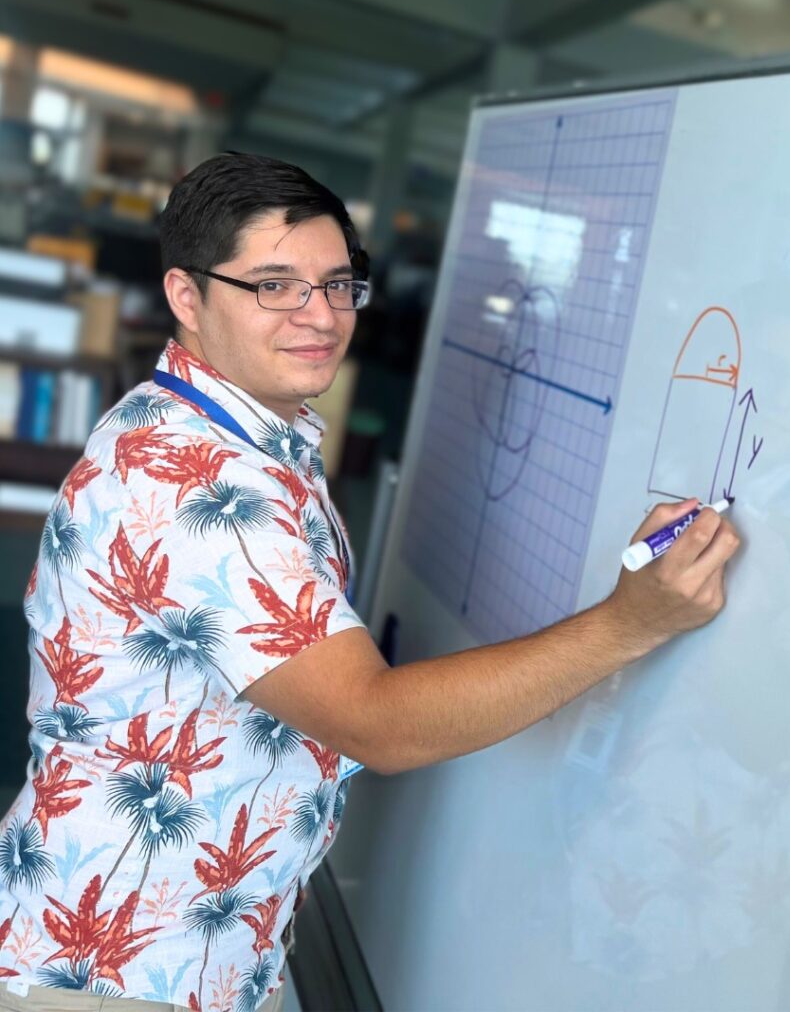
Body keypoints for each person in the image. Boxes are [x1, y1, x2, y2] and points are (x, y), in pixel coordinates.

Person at [0, 153, 740, 1012]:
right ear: (186, 297)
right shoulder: (199, 483)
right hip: (113, 978)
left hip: (199, 958)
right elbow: (377, 724)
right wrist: (629, 622)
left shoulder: (247, 431)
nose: (319, 317)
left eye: (337, 284)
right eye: (273, 285)